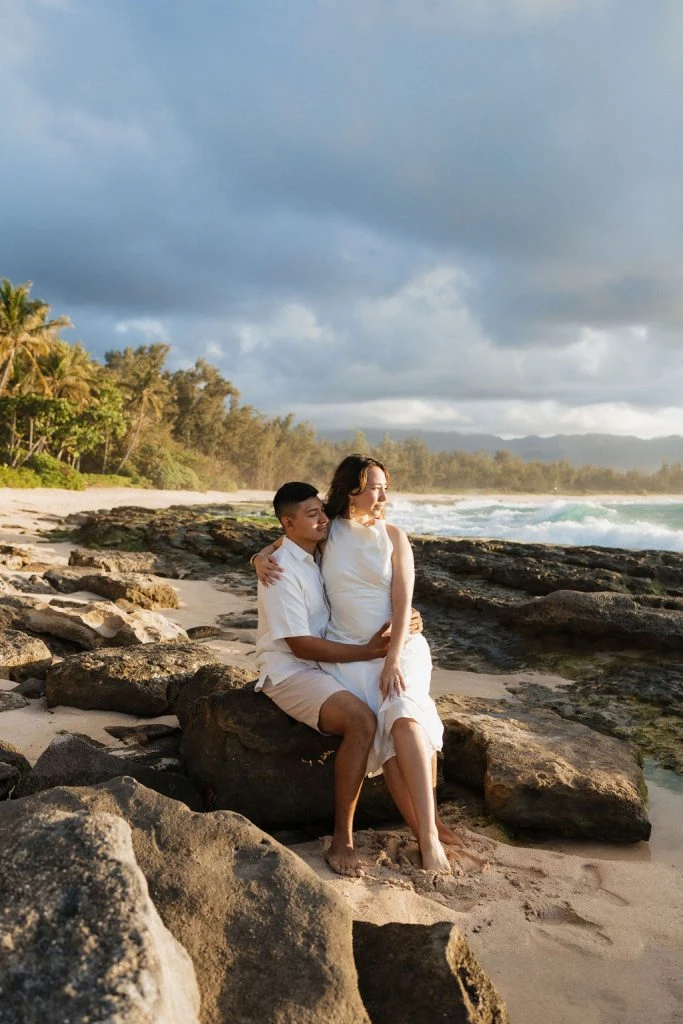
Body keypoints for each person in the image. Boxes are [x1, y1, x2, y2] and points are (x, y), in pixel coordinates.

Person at [255, 456, 459, 874]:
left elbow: (403, 603)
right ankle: (421, 828)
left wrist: (392, 653)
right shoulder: (327, 529)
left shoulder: (395, 536)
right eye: (374, 487)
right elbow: (286, 539)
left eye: (385, 486)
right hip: (350, 650)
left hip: (396, 647)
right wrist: (258, 557)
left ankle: (430, 833)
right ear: (350, 490)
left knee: (404, 715)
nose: (383, 495)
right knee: (379, 727)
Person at [254, 480, 391, 879]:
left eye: (322, 511)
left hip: (327, 662)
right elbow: (300, 646)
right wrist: (367, 652)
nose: (323, 520)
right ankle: (341, 839)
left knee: (395, 704)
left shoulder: (317, 552)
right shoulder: (280, 570)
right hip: (290, 671)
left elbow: (376, 577)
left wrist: (408, 616)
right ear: (288, 523)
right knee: (362, 721)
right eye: (311, 515)